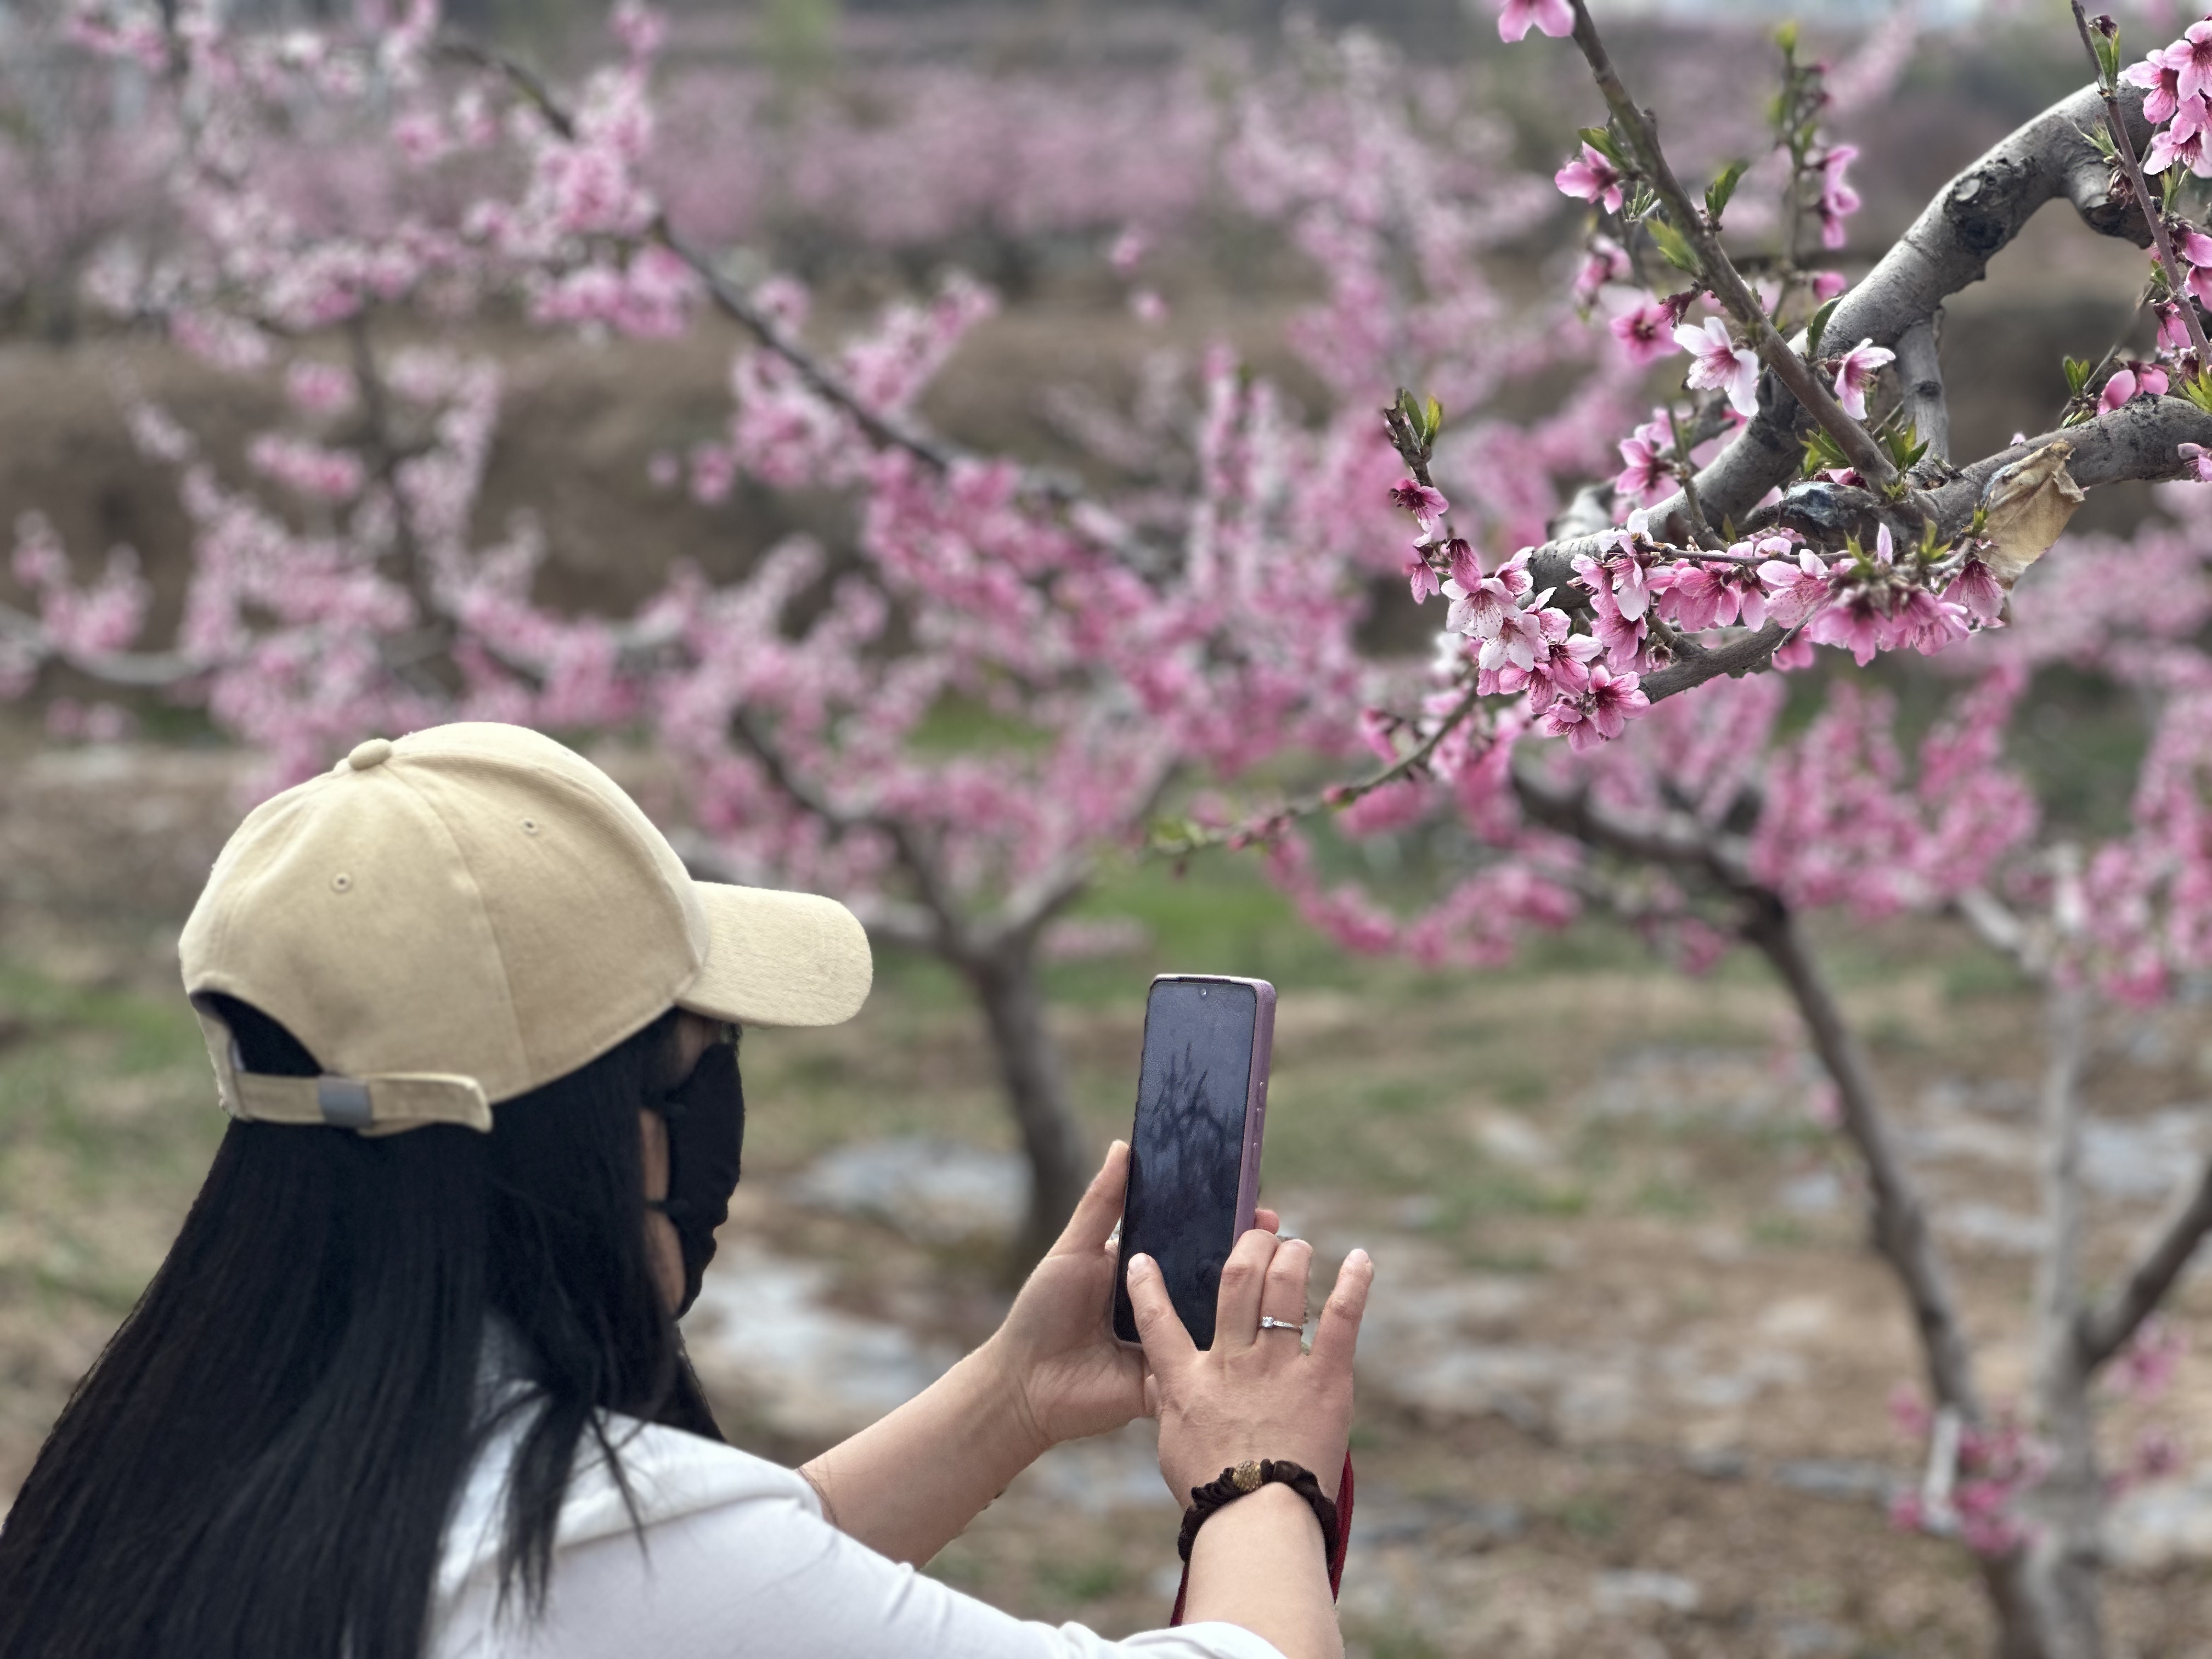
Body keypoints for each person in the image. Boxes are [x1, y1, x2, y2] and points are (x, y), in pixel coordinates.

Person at [0, 723, 1373, 1659]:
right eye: (699, 1064)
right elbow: (669, 1585)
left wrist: (1010, 1396)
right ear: (596, 1131)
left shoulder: (161, 1467)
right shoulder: (582, 1548)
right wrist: (1265, 1470)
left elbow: (714, 1593)